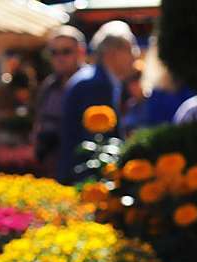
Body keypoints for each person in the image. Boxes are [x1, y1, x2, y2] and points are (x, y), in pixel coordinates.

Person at [58, 20, 139, 182]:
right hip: (85, 181)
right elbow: (95, 144)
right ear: (112, 53)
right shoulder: (95, 85)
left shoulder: (99, 81)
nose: (135, 56)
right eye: (130, 49)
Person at [32, 26, 86, 178]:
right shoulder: (49, 86)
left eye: (66, 51)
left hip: (80, 168)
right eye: (54, 53)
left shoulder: (90, 85)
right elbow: (39, 121)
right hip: (51, 168)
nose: (59, 57)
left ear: (80, 52)